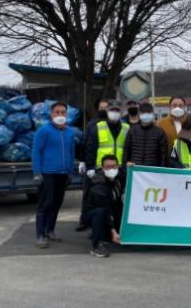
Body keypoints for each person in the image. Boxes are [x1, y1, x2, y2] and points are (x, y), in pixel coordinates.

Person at [32, 102, 80, 248]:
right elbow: (36, 152)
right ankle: (40, 235)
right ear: (51, 114)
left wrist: (70, 171)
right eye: (57, 112)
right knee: (44, 204)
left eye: (63, 112)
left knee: (56, 203)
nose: (60, 115)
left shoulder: (70, 132)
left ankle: (49, 231)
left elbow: (71, 152)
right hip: (47, 173)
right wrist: (37, 172)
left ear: (66, 114)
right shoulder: (43, 131)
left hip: (63, 174)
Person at [76, 97, 109, 232]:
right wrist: (83, 161)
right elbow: (85, 143)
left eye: (106, 108)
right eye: (102, 108)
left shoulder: (116, 124)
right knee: (88, 194)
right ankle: (84, 220)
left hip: (111, 166)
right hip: (94, 165)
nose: (104, 110)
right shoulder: (92, 124)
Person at [81, 154, 123, 258]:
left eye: (114, 166)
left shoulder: (118, 177)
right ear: (102, 168)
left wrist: (131, 166)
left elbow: (128, 172)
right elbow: (106, 210)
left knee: (120, 206)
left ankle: (108, 235)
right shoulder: (99, 184)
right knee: (100, 212)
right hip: (92, 214)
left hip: (111, 210)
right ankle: (96, 245)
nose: (111, 169)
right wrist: (113, 231)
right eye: (108, 167)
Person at [85, 100, 130, 178]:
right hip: (101, 169)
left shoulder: (127, 128)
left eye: (117, 110)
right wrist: (90, 167)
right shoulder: (98, 127)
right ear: (107, 111)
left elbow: (130, 149)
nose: (114, 112)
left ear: (121, 112)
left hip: (120, 170)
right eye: (112, 110)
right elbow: (90, 149)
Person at [124, 102, 168, 167]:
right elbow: (126, 153)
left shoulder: (160, 132)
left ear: (152, 114)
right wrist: (125, 168)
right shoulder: (132, 131)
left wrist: (161, 170)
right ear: (139, 114)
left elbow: (163, 156)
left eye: (148, 112)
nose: (146, 115)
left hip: (152, 170)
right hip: (135, 169)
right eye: (143, 112)